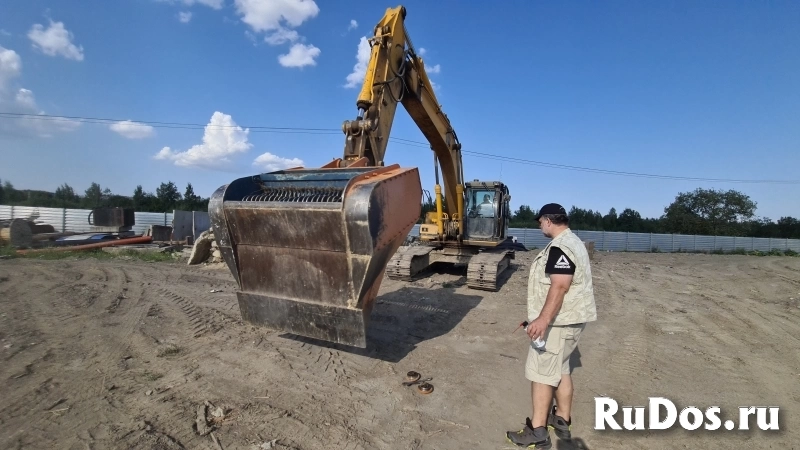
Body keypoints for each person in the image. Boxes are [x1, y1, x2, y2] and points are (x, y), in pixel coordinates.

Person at [506, 203, 597, 449]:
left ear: (548, 220)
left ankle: (537, 432)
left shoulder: (560, 247)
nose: (539, 226)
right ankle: (562, 420)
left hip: (559, 323)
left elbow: (559, 285)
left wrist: (543, 319)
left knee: (541, 375)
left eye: (540, 222)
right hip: (569, 320)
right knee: (562, 369)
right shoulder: (574, 241)